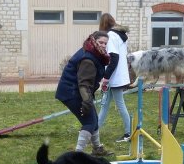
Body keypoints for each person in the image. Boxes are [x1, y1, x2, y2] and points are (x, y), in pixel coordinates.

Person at [55, 31, 114, 156]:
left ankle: (97, 149)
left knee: (94, 119)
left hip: (76, 90)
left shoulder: (93, 52)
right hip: (71, 92)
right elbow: (84, 84)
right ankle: (78, 155)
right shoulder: (88, 58)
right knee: (89, 122)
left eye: (105, 43)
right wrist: (86, 102)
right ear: (94, 40)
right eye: (101, 42)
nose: (103, 45)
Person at [97, 13, 132, 142]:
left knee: (120, 104)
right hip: (117, 76)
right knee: (105, 104)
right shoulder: (120, 36)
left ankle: (129, 133)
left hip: (115, 77)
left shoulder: (111, 36)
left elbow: (114, 58)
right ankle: (95, 129)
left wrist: (106, 77)